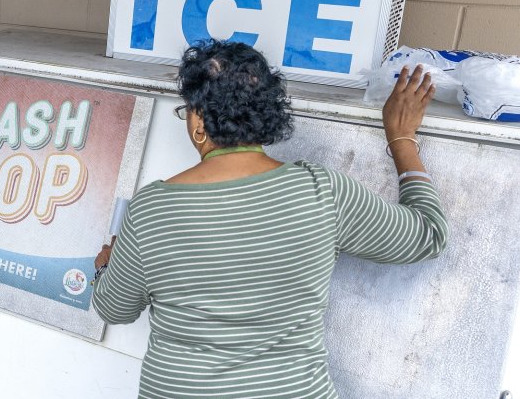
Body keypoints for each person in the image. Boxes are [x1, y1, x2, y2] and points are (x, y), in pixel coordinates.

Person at [92, 40, 447, 399]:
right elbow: (428, 235)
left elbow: (113, 308)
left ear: (198, 121)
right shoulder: (321, 191)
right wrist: (402, 139)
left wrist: (109, 266)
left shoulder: (152, 210)